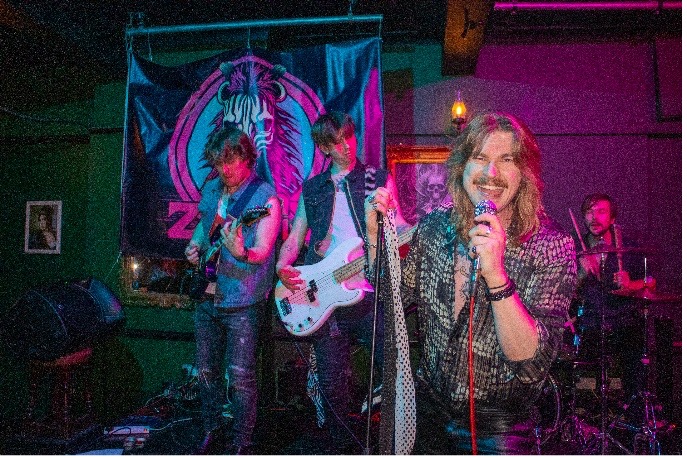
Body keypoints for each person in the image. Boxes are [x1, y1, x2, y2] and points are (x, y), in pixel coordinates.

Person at [369, 112, 577, 454]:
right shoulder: (435, 227)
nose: (491, 173)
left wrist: (496, 276)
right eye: (480, 157)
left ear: (523, 173)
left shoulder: (550, 245)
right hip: (428, 416)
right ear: (461, 167)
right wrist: (375, 240)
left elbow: (531, 365)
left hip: (499, 428)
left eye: (506, 159)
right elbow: (391, 299)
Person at [275, 111, 407, 453]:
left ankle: (391, 445)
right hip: (325, 291)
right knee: (332, 385)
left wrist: (401, 225)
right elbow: (295, 237)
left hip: (369, 291)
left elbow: (401, 229)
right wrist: (282, 265)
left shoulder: (377, 179)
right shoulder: (313, 188)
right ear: (323, 147)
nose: (347, 146)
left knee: (392, 370)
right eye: (337, 141)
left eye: (349, 136)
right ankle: (343, 448)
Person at [184, 125, 281, 454]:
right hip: (207, 295)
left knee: (240, 378)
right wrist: (194, 245)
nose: (223, 169)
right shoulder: (213, 189)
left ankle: (242, 443)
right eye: (218, 162)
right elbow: (204, 227)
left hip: (243, 298)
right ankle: (212, 428)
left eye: (229, 161)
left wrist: (242, 252)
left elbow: (263, 250)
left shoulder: (264, 198)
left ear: (246, 157)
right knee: (206, 371)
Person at [573, 193, 654, 408]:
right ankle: (583, 412)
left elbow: (651, 282)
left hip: (623, 323)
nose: (594, 217)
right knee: (580, 375)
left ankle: (632, 411)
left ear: (612, 218)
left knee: (635, 355)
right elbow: (562, 291)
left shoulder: (628, 247)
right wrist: (581, 273)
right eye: (589, 212)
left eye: (601, 212)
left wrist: (631, 284)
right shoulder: (574, 246)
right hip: (589, 324)